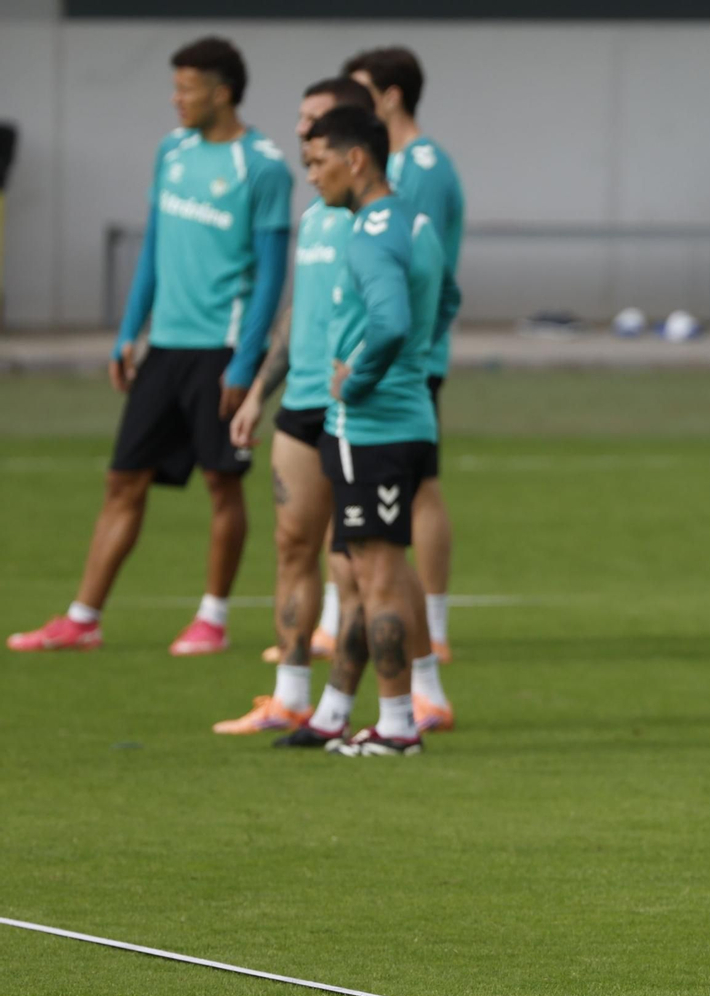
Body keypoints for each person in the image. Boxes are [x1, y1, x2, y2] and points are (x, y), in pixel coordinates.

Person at [8, 36, 290, 657]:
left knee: (222, 484)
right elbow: (155, 249)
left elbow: (272, 276)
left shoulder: (263, 166)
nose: (175, 99)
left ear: (220, 92)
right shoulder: (173, 151)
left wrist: (247, 363)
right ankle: (84, 617)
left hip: (221, 350)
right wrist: (128, 333)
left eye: (186, 88)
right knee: (122, 480)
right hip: (164, 347)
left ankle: (211, 619)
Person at [274, 105, 455, 754]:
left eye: (318, 162)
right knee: (359, 571)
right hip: (411, 418)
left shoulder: (372, 233)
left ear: (356, 159)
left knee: (376, 576)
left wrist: (363, 378)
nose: (312, 177)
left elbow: (391, 323)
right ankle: (340, 713)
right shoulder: (418, 225)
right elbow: (448, 302)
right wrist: (407, 372)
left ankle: (399, 725)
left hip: (370, 428)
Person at [211, 76, 374, 735]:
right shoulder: (315, 217)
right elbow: (294, 315)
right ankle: (289, 695)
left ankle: (365, 703)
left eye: (316, 128)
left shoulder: (383, 218)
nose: (304, 139)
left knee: (359, 561)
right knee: (291, 544)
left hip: (357, 412)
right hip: (301, 406)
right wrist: (258, 391)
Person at [342, 46, 465, 666]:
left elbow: (436, 274)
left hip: (404, 365)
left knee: (420, 489)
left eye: (359, 92)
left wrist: (419, 348)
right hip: (393, 357)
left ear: (390, 97)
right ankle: (375, 620)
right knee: (403, 496)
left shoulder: (421, 169)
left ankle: (431, 629)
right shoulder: (397, 165)